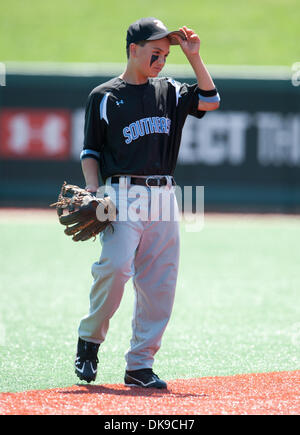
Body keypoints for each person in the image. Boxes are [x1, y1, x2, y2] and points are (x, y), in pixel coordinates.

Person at [75, 17, 220, 389]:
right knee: (116, 268)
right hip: (120, 194)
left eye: (166, 51)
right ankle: (89, 341)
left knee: (160, 283)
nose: (162, 56)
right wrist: (93, 190)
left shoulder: (170, 90)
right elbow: (90, 151)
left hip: (165, 196)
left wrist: (194, 58)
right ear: (133, 49)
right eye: (155, 49)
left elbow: (210, 100)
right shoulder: (104, 96)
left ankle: (139, 365)